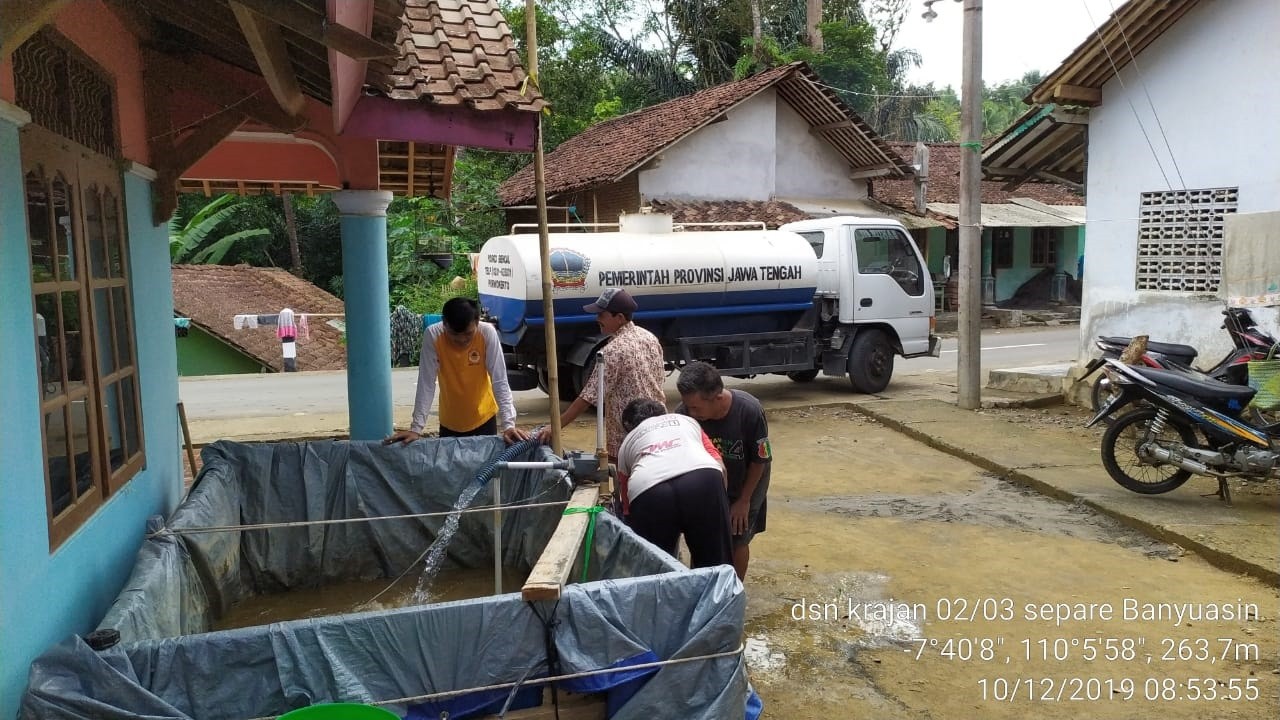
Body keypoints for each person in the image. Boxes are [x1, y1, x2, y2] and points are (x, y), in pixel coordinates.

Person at [386, 297, 528, 444]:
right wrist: (416, 428)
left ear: (477, 322)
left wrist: (508, 424)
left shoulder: (487, 333)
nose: (461, 340)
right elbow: (426, 384)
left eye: (468, 334)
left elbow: (499, 380)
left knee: (485, 466)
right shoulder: (433, 335)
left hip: (484, 418)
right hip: (450, 422)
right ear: (444, 323)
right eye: (454, 335)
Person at [543, 288, 665, 460]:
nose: (597, 319)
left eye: (602, 314)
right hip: (658, 429)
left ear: (620, 318)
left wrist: (555, 427)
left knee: (625, 484)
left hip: (626, 436)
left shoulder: (613, 351)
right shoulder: (650, 338)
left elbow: (587, 398)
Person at [676, 361, 771, 581]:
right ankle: (702, 583)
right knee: (702, 532)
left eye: (697, 407)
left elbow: (760, 460)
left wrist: (744, 501)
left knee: (738, 533)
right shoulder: (684, 414)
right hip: (710, 481)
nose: (691, 412)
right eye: (688, 406)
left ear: (717, 398)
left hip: (748, 479)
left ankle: (733, 590)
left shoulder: (749, 410)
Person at [616, 398, 733, 569]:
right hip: (703, 478)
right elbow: (720, 466)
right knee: (716, 565)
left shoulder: (627, 443)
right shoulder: (685, 421)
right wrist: (719, 504)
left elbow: (627, 506)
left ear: (629, 427)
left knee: (657, 568)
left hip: (649, 489)